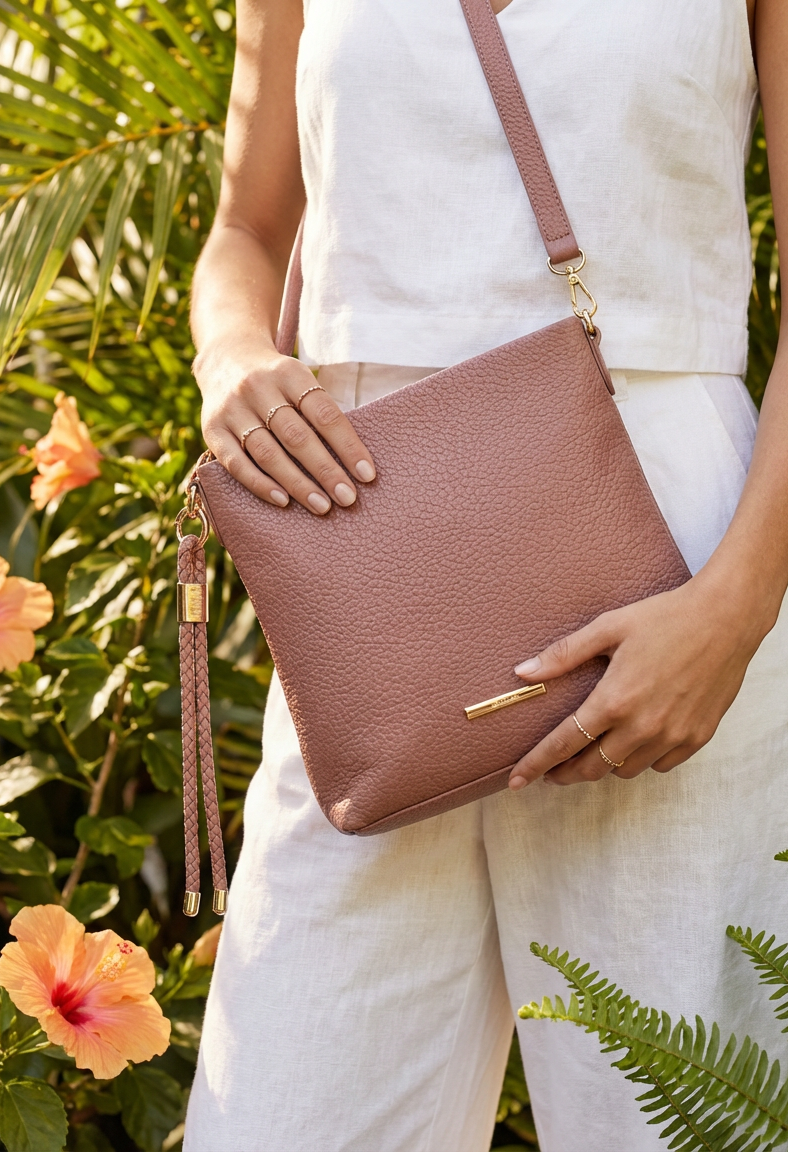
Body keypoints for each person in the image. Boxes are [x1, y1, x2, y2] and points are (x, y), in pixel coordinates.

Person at [184, 0, 788, 1148]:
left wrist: (735, 607)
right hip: (369, 595)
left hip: (675, 589)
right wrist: (233, 358)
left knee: (676, 1115)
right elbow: (244, 231)